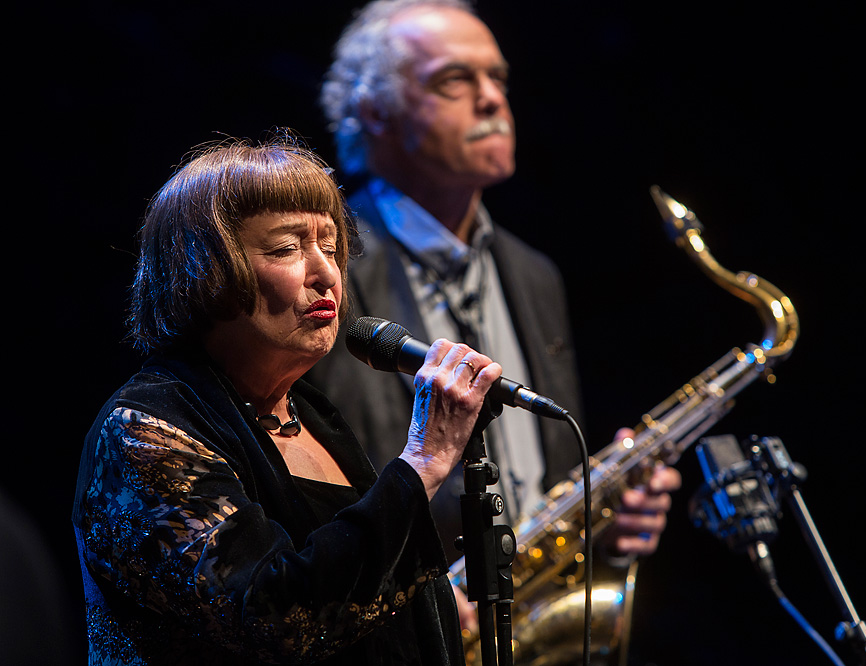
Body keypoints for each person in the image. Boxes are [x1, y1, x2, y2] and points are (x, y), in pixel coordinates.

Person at [309, 0, 682, 645]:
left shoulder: (534, 273)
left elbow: (544, 471)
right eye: (454, 80)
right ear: (373, 112)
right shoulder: (324, 267)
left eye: (497, 78)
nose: (491, 100)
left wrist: (604, 525)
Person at [72, 134, 503, 665]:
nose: (326, 272)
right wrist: (425, 460)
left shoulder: (313, 414)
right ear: (203, 271)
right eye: (287, 248)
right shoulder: (144, 428)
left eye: (330, 246)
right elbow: (275, 620)